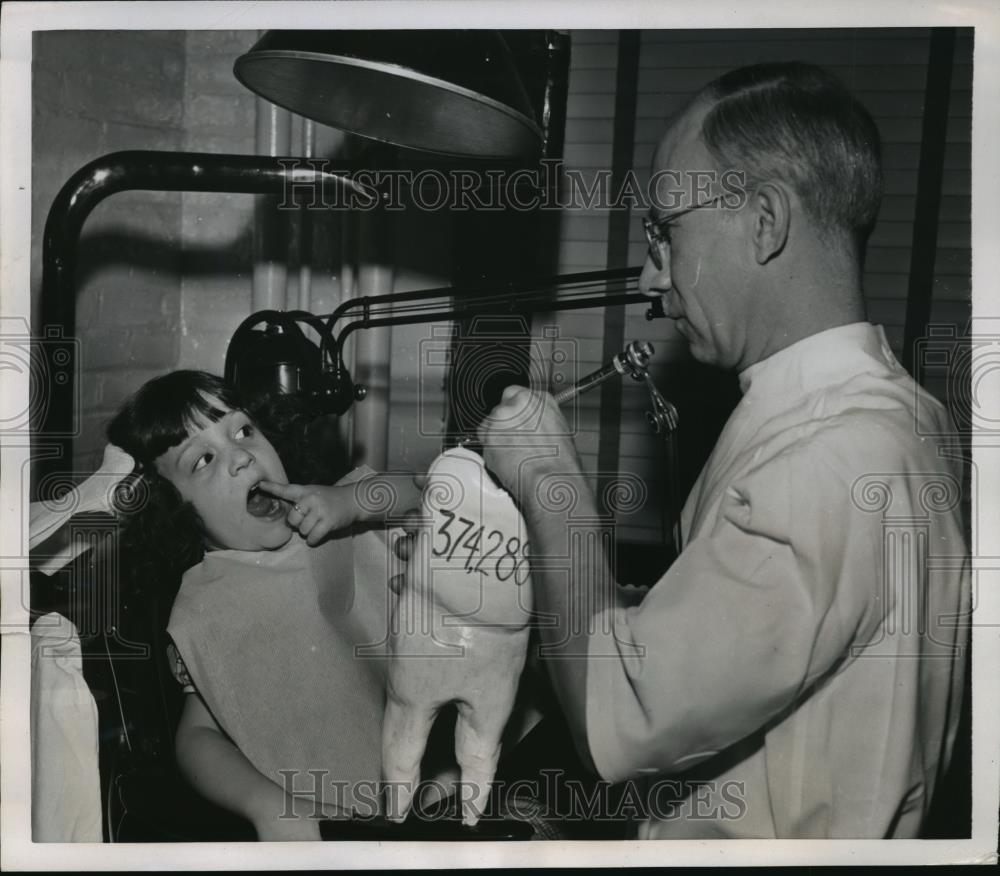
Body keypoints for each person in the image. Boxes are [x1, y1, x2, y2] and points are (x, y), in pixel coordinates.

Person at [477, 62, 970, 838]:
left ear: (765, 222)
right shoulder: (909, 415)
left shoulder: (829, 461)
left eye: (665, 232)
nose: (648, 279)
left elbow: (620, 718)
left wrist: (547, 478)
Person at [107, 370, 420, 841]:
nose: (240, 457)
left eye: (243, 431)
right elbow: (196, 738)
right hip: (333, 820)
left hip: (441, 776)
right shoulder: (204, 608)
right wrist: (268, 806)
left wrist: (352, 500)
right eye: (204, 460)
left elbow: (425, 491)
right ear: (173, 507)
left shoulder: (338, 517)